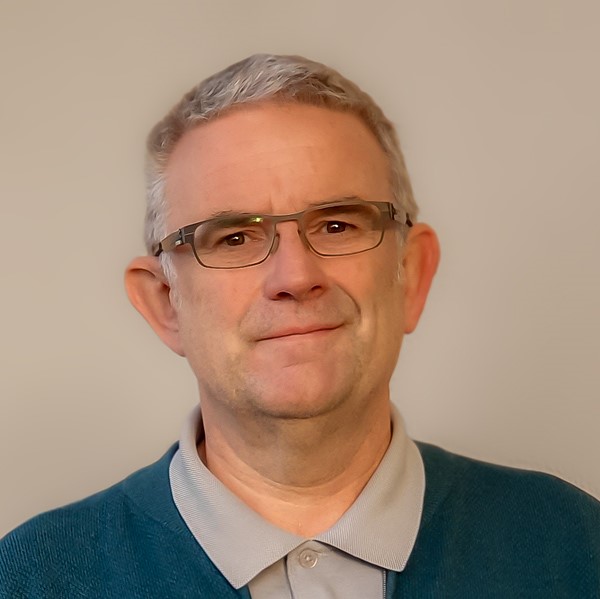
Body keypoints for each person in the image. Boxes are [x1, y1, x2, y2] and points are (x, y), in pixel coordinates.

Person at [1, 54, 598, 598]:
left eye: (338, 225)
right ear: (165, 304)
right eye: (234, 238)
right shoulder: (33, 580)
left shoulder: (574, 547)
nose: (295, 276)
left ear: (411, 276)